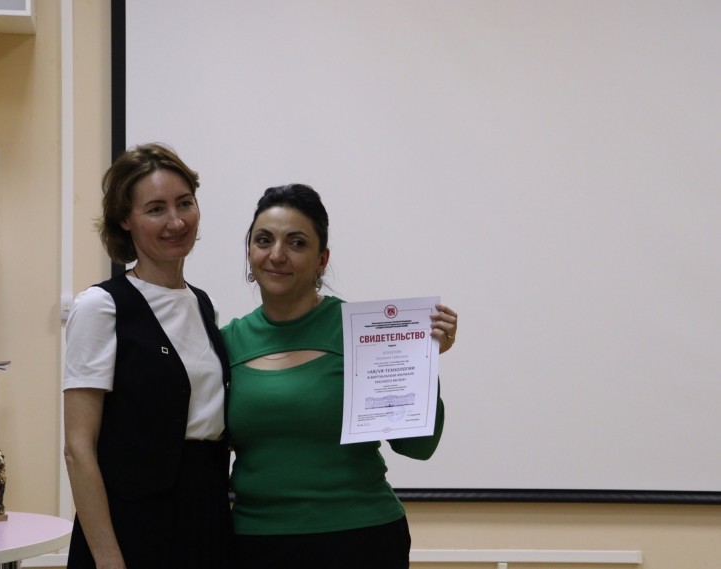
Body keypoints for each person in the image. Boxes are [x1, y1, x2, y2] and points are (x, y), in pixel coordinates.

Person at [221, 184, 458, 569]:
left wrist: (425, 362)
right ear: (249, 252)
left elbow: (417, 446)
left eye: (297, 243)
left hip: (361, 539)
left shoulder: (366, 334)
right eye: (264, 240)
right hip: (256, 543)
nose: (277, 255)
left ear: (322, 259)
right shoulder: (225, 343)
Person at [62, 143, 234, 569]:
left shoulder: (205, 306)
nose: (176, 221)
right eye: (156, 209)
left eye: (184, 203)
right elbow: (79, 449)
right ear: (125, 219)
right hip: (131, 526)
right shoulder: (101, 306)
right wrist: (109, 560)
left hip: (205, 513)